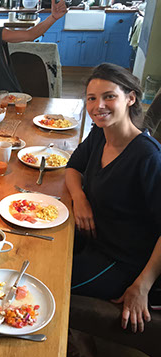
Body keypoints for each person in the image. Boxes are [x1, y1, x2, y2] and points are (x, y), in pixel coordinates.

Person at [66, 63, 161, 333]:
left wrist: (142, 285)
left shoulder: (148, 157)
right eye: (91, 98)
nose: (99, 106)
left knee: (47, 280)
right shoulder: (99, 133)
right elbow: (72, 167)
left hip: (119, 259)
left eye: (110, 96)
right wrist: (80, 197)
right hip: (91, 239)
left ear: (130, 98)